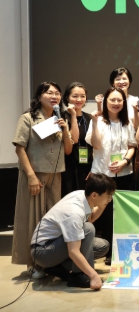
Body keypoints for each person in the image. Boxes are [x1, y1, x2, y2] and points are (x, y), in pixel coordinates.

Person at [12, 82, 74, 278]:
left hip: (55, 175)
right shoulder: (28, 118)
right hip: (35, 175)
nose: (54, 96)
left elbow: (68, 150)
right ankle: (33, 263)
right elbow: (20, 148)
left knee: (52, 220)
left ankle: (51, 262)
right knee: (33, 219)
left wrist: (65, 129)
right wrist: (31, 176)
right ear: (39, 96)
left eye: (57, 93)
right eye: (49, 93)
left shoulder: (60, 118)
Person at [30, 173, 114, 289]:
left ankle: (58, 267)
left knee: (102, 246)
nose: (110, 199)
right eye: (108, 196)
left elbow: (91, 218)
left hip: (55, 244)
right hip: (43, 252)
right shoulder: (74, 213)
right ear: (94, 195)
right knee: (88, 229)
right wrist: (94, 276)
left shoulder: (83, 196)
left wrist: (103, 204)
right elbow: (73, 251)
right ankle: (77, 276)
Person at [86, 87, 137, 265]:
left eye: (119, 100)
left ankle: (121, 250)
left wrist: (125, 161)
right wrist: (94, 123)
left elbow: (132, 146)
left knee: (121, 214)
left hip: (124, 173)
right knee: (105, 215)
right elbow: (96, 145)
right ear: (105, 102)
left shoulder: (127, 123)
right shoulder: (98, 121)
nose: (116, 103)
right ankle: (107, 251)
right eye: (112, 100)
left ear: (124, 102)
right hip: (102, 174)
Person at [61, 82, 93, 196]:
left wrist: (94, 168)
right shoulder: (62, 117)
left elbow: (94, 145)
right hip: (68, 168)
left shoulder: (89, 118)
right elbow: (74, 140)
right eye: (75, 96)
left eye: (82, 96)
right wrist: (73, 116)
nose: (79, 99)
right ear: (67, 98)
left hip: (87, 168)